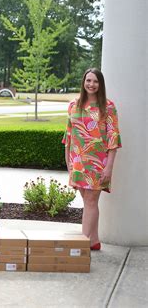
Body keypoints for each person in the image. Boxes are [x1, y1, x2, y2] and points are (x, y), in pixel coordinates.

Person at [62, 68, 122, 251]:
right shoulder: (74, 105)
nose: (91, 84)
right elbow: (69, 136)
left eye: (95, 81)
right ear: (83, 82)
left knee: (90, 201)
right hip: (78, 162)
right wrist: (68, 163)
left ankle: (83, 244)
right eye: (88, 80)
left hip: (98, 163)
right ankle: (94, 240)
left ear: (100, 84)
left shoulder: (108, 107)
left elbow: (113, 139)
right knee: (87, 201)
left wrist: (109, 168)